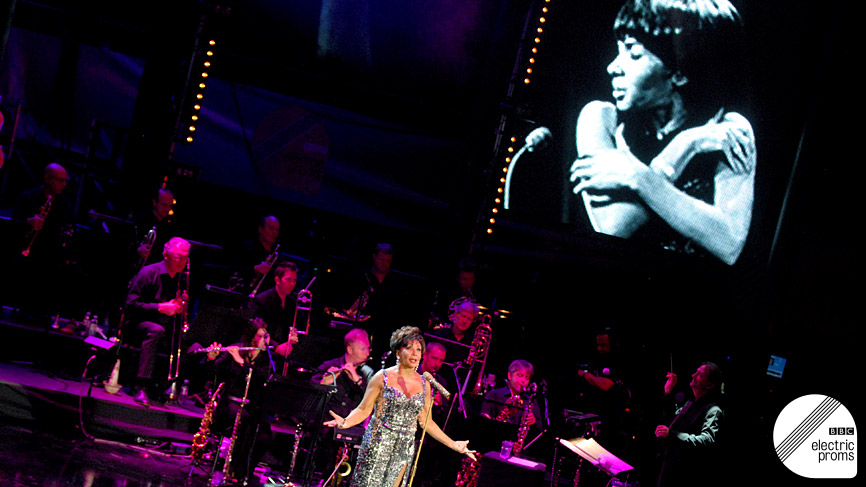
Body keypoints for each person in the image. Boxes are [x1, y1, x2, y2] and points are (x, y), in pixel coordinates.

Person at [570, 0, 755, 265]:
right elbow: (614, 227)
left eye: (633, 53)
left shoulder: (727, 128)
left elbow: (729, 244)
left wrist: (635, 175)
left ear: (681, 71)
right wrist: (685, 146)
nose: (613, 67)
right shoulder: (601, 118)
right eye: (618, 50)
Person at [323, 326, 476, 487]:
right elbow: (363, 409)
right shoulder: (382, 377)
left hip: (403, 450)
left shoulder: (425, 385)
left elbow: (426, 422)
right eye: (409, 348)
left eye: (418, 349)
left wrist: (453, 444)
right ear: (398, 352)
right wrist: (345, 422)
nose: (415, 353)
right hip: (378, 444)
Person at [206, 318, 279, 483]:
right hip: (231, 403)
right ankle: (234, 470)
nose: (264, 340)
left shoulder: (267, 358)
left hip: (253, 407)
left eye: (266, 336)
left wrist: (242, 364)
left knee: (264, 437)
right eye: (260, 336)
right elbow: (214, 372)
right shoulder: (237, 349)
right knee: (245, 423)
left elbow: (264, 377)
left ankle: (245, 471)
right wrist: (212, 358)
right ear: (252, 337)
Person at [123, 236, 190, 405]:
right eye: (178, 257)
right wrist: (160, 307)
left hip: (165, 325)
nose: (182, 262)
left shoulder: (182, 280)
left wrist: (180, 307)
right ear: (165, 254)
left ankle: (165, 388)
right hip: (138, 323)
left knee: (190, 341)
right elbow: (130, 305)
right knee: (156, 330)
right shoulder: (149, 272)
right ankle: (141, 386)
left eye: (185, 257)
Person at [654, 362, 724, 487]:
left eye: (700, 375)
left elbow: (707, 440)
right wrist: (668, 392)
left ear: (710, 385)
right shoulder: (691, 403)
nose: (693, 375)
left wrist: (673, 435)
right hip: (668, 470)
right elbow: (673, 419)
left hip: (683, 476)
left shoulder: (713, 410)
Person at [247, 261, 301, 362]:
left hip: (282, 355)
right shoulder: (261, 300)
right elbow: (255, 328)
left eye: (294, 280)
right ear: (277, 280)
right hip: (262, 353)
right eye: (288, 280)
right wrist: (276, 347)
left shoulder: (292, 303)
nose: (292, 284)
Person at [481, 360, 542, 434]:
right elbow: (482, 420)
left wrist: (533, 423)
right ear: (510, 375)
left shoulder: (531, 402)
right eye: (520, 375)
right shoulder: (494, 395)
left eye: (527, 378)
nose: (523, 381)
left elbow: (539, 431)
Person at [230, 215, 282, 294]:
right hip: (241, 293)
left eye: (277, 230)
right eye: (271, 228)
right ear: (260, 229)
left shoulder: (278, 258)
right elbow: (233, 269)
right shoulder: (246, 247)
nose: (275, 232)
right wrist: (255, 268)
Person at [129, 187, 177, 271]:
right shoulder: (139, 220)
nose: (167, 209)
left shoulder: (170, 228)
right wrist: (136, 251)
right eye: (164, 205)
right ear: (155, 202)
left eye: (170, 206)